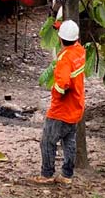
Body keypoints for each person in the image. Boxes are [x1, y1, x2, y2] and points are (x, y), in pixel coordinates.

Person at [33, 19, 86, 186]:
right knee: (69, 142)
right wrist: (59, 25)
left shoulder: (65, 58)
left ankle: (47, 174)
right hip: (76, 107)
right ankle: (66, 175)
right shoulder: (80, 51)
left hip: (61, 109)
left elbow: (63, 85)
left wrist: (56, 92)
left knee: (47, 142)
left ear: (60, 38)